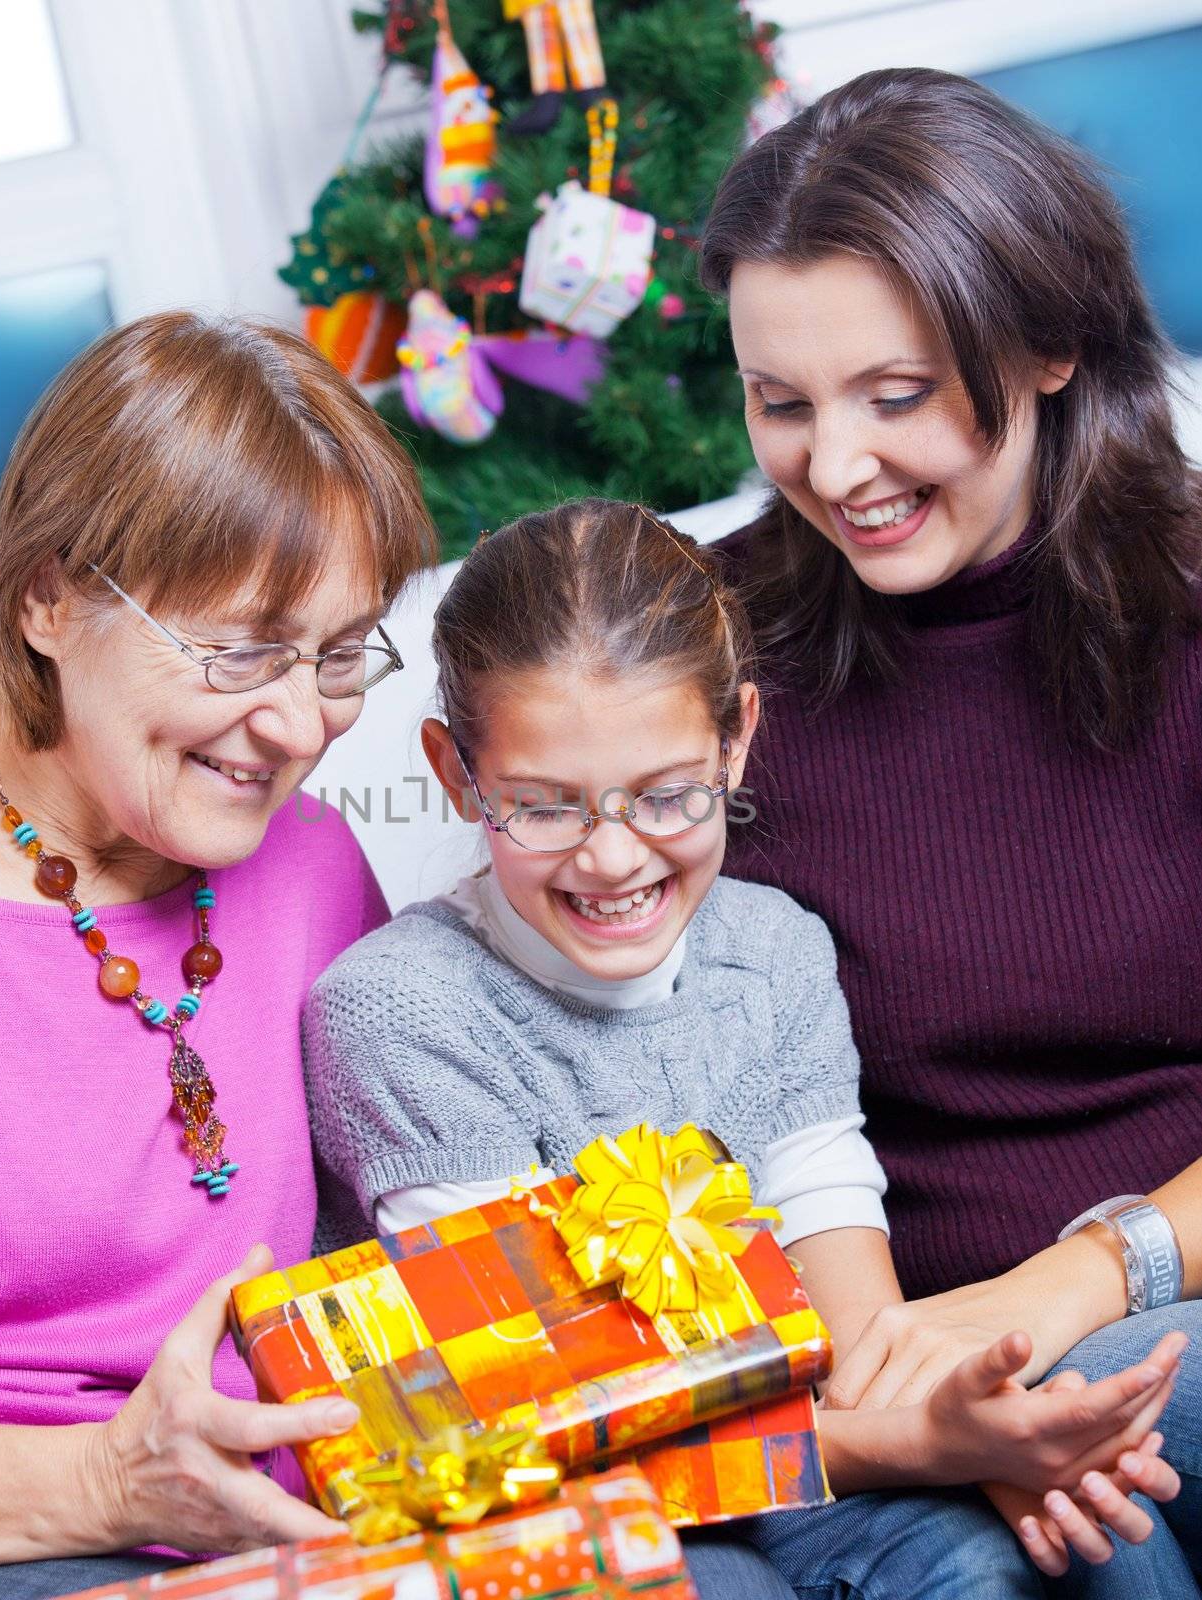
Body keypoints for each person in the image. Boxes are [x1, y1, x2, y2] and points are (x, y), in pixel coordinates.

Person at [301, 498, 1183, 1599]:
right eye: (541, 806)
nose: (612, 856)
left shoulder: (771, 951)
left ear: (737, 739)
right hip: (566, 1492)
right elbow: (545, 1419)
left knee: (1067, 1542)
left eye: (667, 795)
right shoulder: (399, 1010)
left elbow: (850, 1331)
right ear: (454, 773)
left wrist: (973, 1438)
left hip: (812, 1448)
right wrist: (928, 1445)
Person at [699, 66, 1202, 1589]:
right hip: (903, 1373)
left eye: (895, 397)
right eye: (780, 405)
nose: (833, 470)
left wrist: (1067, 1287)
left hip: (1151, 1287)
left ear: (1049, 345)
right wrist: (937, 1398)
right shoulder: (700, 665)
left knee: (1122, 1435)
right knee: (1080, 1524)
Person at [0, 314, 437, 1594]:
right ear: (50, 596)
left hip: (296, 1531)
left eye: (339, 657)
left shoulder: (312, 858)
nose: (295, 724)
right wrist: (104, 1483)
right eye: (238, 649)